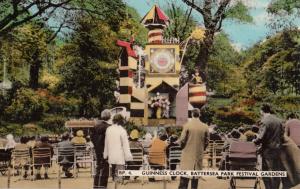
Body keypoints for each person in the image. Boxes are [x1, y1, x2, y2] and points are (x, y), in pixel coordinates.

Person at [253, 104, 284, 189]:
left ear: (262, 111)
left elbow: (261, 137)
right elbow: (282, 135)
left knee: (265, 171)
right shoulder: (279, 121)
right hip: (278, 149)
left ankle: (269, 188)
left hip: (267, 149)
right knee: (276, 171)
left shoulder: (264, 121)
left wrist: (254, 141)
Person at [177, 108, 209, 189]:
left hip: (187, 154)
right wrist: (202, 148)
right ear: (199, 114)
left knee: (184, 178)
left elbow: (182, 140)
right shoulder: (205, 126)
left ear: (191, 114)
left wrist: (182, 147)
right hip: (198, 154)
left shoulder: (187, 125)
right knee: (195, 179)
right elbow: (207, 141)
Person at [103, 114, 132, 182]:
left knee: (114, 178)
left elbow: (106, 143)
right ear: (121, 121)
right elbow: (125, 145)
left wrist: (105, 155)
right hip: (120, 157)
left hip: (111, 156)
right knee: (119, 178)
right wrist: (128, 157)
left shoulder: (108, 129)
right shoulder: (122, 130)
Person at [90, 109, 111, 189]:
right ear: (109, 117)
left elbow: (92, 138)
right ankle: (102, 186)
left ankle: (96, 186)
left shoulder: (95, 127)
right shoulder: (109, 127)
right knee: (105, 169)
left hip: (97, 150)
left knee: (99, 168)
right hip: (105, 150)